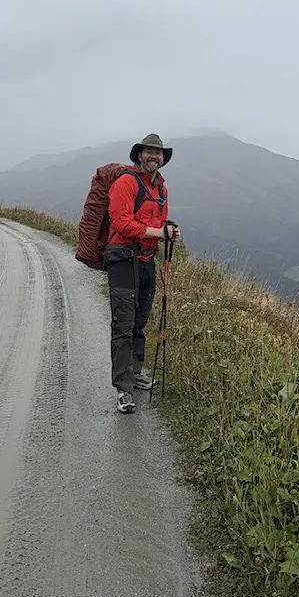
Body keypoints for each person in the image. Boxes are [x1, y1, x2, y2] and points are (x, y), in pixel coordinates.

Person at [106, 134, 180, 414]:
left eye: (158, 154)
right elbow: (122, 222)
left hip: (147, 261)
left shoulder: (161, 188)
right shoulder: (126, 183)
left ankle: (135, 373)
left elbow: (159, 221)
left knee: (139, 323)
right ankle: (123, 389)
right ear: (139, 155)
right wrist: (157, 232)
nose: (154, 157)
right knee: (123, 326)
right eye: (149, 152)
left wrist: (168, 230)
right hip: (123, 260)